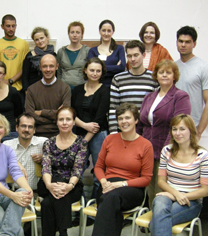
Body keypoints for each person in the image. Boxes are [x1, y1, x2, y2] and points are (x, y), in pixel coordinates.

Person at [75, 103, 153, 236]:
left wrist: (122, 184)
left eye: (127, 118)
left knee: (111, 200)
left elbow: (146, 178)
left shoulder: (145, 145)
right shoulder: (110, 139)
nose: (124, 121)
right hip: (107, 186)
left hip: (132, 189)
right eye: (120, 118)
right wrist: (102, 182)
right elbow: (99, 166)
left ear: (136, 120)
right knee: (112, 210)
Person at [140, 114, 208, 236]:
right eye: (175, 129)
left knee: (158, 220)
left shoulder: (202, 155)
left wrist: (181, 195)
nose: (178, 133)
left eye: (182, 129)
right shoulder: (167, 151)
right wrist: (174, 194)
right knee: (160, 204)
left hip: (191, 202)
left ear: (191, 131)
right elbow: (161, 182)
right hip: (168, 195)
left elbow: (205, 190)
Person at [39, 106, 87, 236]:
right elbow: (45, 168)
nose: (65, 123)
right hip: (49, 183)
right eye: (61, 119)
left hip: (72, 184)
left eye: (68, 119)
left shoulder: (81, 142)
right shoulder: (49, 143)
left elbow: (78, 169)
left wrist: (70, 186)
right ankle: (64, 235)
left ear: (74, 122)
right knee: (54, 187)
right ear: (56, 122)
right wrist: (49, 185)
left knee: (46, 204)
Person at [137, 60, 191, 208]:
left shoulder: (180, 96)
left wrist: (166, 150)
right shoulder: (149, 97)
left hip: (167, 151)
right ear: (156, 75)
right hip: (147, 150)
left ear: (175, 76)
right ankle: (151, 224)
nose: (164, 75)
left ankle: (161, 224)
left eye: (168, 72)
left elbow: (179, 126)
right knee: (150, 189)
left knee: (161, 192)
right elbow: (141, 124)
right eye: (161, 72)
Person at [72, 57, 110, 200]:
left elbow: (99, 120)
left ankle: (95, 208)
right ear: (86, 71)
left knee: (99, 173)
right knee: (77, 172)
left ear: (102, 73)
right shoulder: (77, 90)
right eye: (92, 70)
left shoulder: (105, 91)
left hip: (99, 135)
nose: (95, 73)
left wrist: (84, 142)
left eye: (98, 71)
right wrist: (83, 126)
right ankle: (79, 206)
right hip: (78, 134)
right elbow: (72, 114)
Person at [108, 40, 158, 133]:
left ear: (143, 55)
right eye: (129, 56)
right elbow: (113, 109)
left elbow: (156, 109)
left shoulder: (153, 78)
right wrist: (113, 133)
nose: (133, 59)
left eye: (136, 55)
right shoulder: (118, 79)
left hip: (146, 131)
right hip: (123, 131)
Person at [175, 26, 208, 138]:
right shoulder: (173, 67)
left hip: (194, 128)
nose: (183, 45)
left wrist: (198, 132)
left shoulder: (204, 67)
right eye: (181, 41)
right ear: (176, 42)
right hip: (175, 128)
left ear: (194, 44)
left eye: (187, 42)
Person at [25, 54, 71, 138]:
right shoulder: (31, 89)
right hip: (37, 135)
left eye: (51, 66)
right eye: (45, 66)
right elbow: (29, 115)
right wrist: (54, 118)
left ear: (57, 67)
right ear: (40, 67)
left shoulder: (65, 88)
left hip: (59, 134)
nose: (48, 69)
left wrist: (42, 112)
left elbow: (65, 114)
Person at [3, 113, 47, 190]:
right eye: (23, 126)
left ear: (34, 130)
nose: (26, 129)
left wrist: (44, 158)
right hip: (13, 192)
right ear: (17, 127)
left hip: (38, 192)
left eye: (30, 127)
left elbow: (57, 159)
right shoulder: (7, 145)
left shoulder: (44, 143)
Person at [0, 14, 29, 95]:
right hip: (1, 87)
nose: (11, 29)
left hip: (19, 88)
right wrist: (3, 81)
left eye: (13, 26)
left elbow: (25, 67)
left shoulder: (23, 44)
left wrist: (11, 80)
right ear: (2, 26)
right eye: (8, 26)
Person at [88, 20, 125, 87]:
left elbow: (122, 67)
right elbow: (91, 70)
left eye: (109, 31)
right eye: (103, 30)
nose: (106, 33)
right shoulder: (92, 51)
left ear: (113, 32)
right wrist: (115, 67)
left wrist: (100, 69)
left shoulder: (119, 49)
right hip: (97, 87)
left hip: (116, 86)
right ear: (99, 31)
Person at [57, 21, 90, 90]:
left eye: (78, 32)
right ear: (68, 34)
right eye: (72, 32)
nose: (74, 35)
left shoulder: (87, 51)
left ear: (82, 35)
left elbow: (90, 71)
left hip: (81, 89)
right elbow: (58, 71)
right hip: (64, 89)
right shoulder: (61, 51)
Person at [22, 27, 56, 92]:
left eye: (42, 38)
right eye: (37, 40)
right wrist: (27, 92)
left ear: (47, 37)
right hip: (33, 90)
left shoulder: (53, 55)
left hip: (50, 90)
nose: (40, 41)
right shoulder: (30, 56)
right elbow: (24, 77)